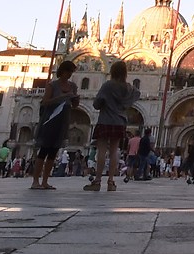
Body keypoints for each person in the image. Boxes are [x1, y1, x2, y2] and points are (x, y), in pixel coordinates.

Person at [84, 61, 138, 193]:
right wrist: (126, 105)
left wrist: (103, 102)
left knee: (101, 151)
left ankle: (97, 181)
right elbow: (137, 94)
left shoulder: (108, 85)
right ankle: (111, 182)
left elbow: (97, 104)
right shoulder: (128, 87)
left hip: (106, 120)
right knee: (114, 152)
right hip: (120, 121)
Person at [31, 61, 76, 189]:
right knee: (44, 150)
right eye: (68, 71)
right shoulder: (52, 85)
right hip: (51, 119)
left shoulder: (72, 86)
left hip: (63, 120)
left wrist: (74, 99)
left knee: (53, 151)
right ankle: (35, 181)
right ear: (62, 71)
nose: (70, 74)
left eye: (71, 72)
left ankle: (45, 181)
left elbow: (75, 105)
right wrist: (62, 97)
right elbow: (45, 102)